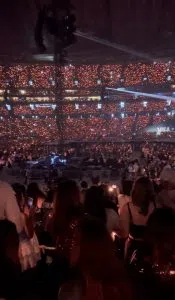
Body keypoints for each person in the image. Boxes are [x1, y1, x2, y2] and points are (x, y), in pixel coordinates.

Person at [119, 177, 155, 261]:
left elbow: (124, 234)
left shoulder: (127, 208)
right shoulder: (156, 206)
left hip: (134, 252)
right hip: (153, 250)